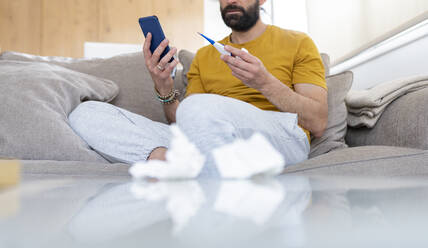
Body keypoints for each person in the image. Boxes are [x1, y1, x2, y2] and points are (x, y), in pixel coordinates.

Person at [69, 0, 327, 176]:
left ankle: (201, 173)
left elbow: (317, 121)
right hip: (207, 135)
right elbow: (186, 120)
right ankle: (170, 163)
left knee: (198, 106)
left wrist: (264, 82)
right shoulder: (205, 55)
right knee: (86, 113)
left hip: (278, 134)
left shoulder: (298, 42)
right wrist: (164, 86)